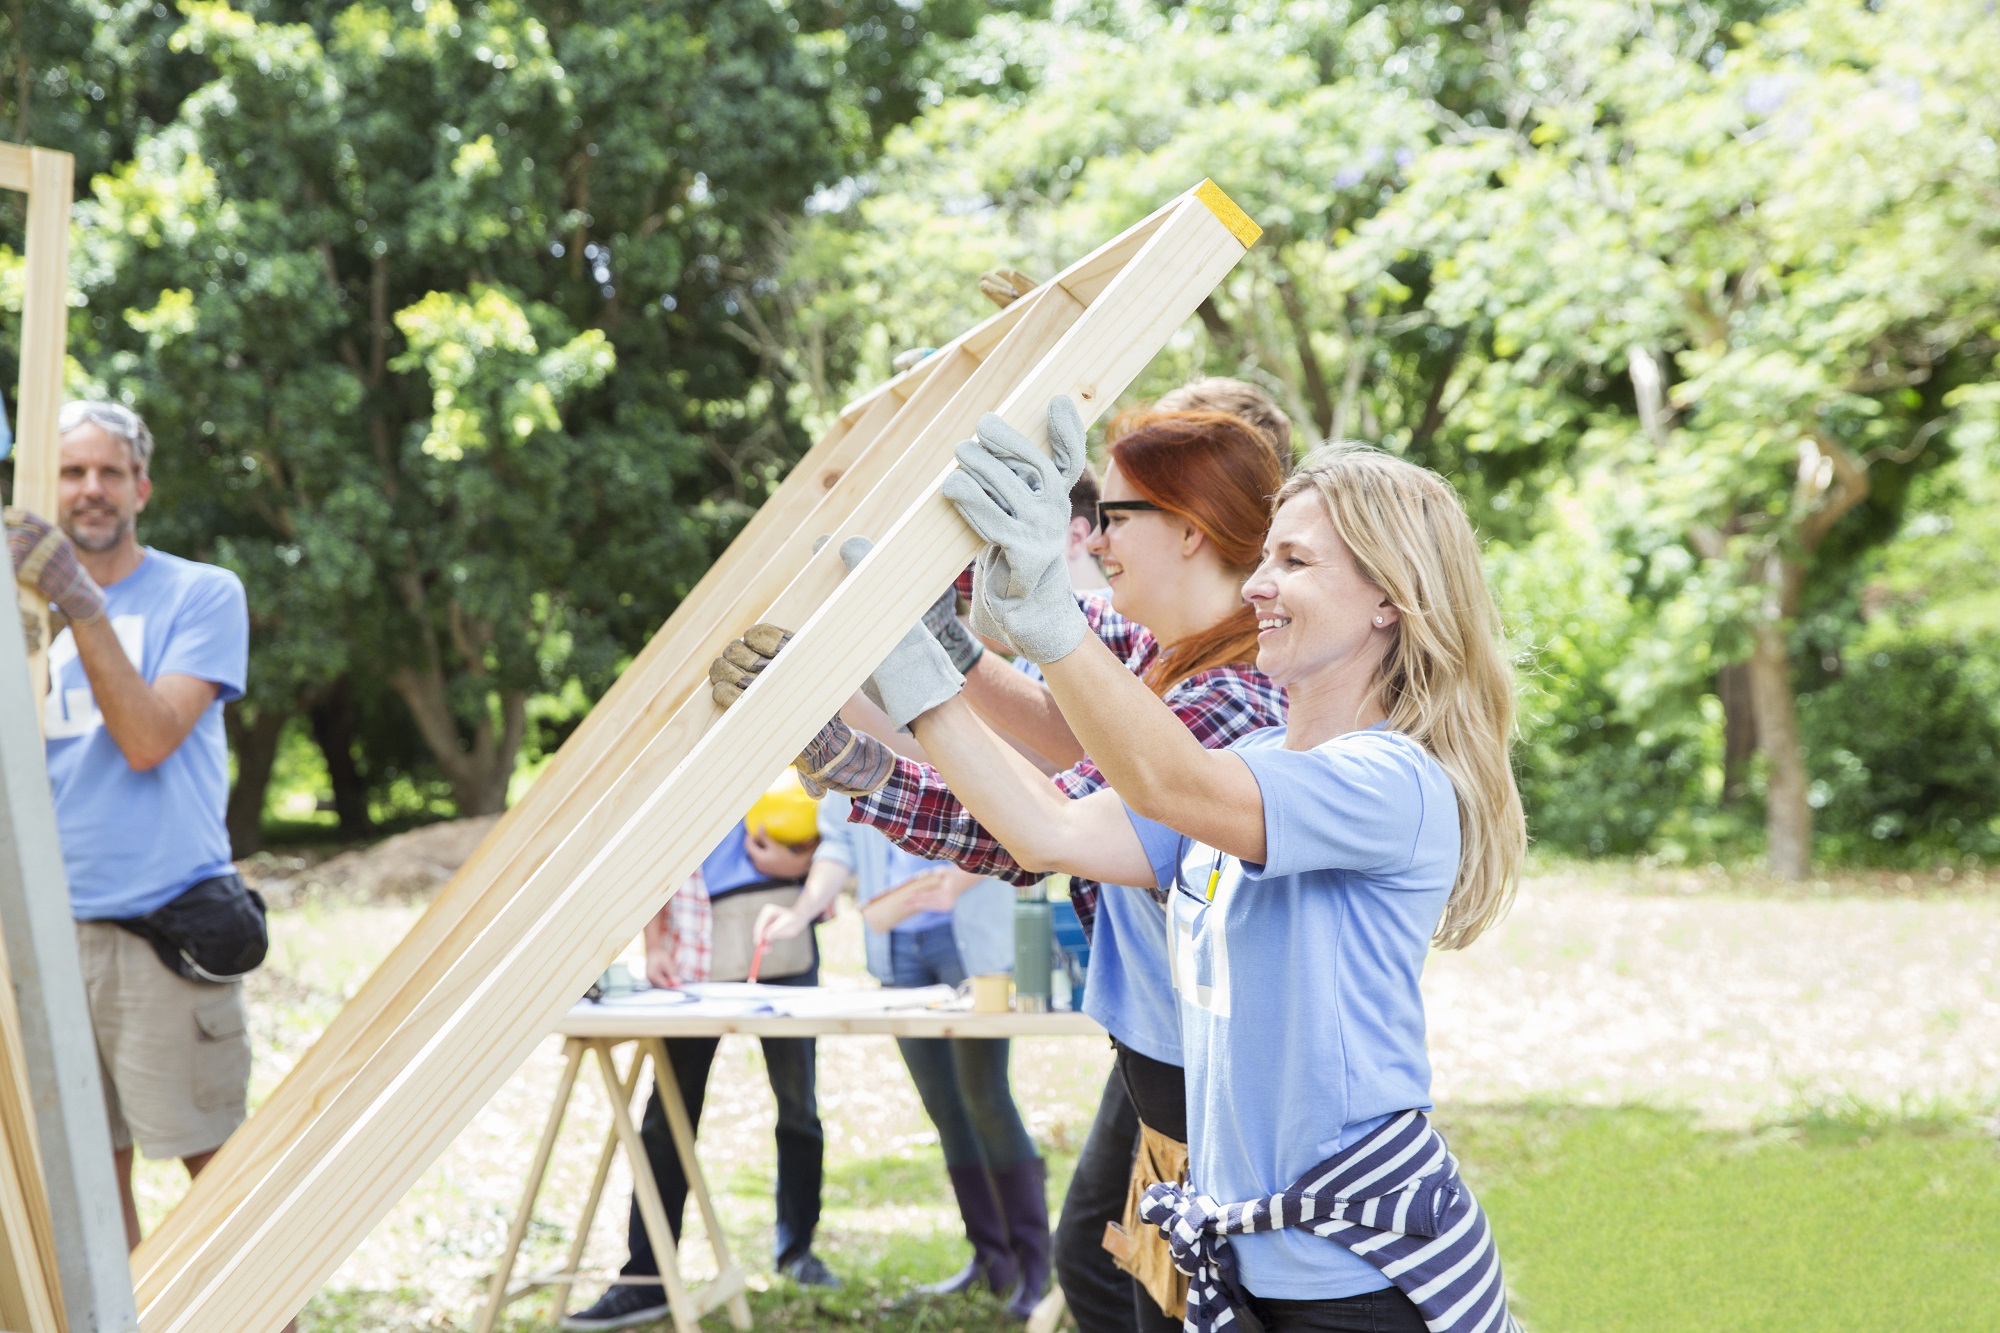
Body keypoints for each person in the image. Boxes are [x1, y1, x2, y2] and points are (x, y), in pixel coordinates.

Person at [714, 406, 1527, 1333]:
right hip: (1253, 1261)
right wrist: (879, 726)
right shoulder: (1260, 752)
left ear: (1392, 597)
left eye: (1294, 563)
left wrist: (1027, 630)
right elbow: (1045, 828)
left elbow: (1168, 774)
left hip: (1359, 1273)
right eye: (1266, 557)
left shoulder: (1389, 783)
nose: (1257, 583)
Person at [7, 402, 259, 1254]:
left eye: (109, 472)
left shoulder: (202, 594)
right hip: (52, 938)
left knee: (218, 1178)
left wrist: (83, 604)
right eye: (72, 472)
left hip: (166, 937)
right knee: (87, 1181)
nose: (90, 490)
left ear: (142, 486)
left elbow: (149, 738)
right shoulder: (22, 623)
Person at [754, 798, 1049, 1314]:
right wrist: (800, 913)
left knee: (985, 1098)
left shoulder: (945, 724)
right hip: (898, 949)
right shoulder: (846, 748)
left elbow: (1017, 818)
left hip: (968, 938)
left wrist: (959, 879)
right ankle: (991, 1259)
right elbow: (839, 846)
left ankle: (1034, 1267)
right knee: (944, 1107)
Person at [561, 814, 839, 1332]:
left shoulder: (785, 746)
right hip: (692, 946)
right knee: (666, 1117)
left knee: (799, 1107)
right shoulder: (677, 750)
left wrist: (800, 868)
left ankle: (797, 1252)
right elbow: (653, 852)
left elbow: (832, 840)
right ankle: (646, 1277)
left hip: (780, 936)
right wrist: (655, 943)